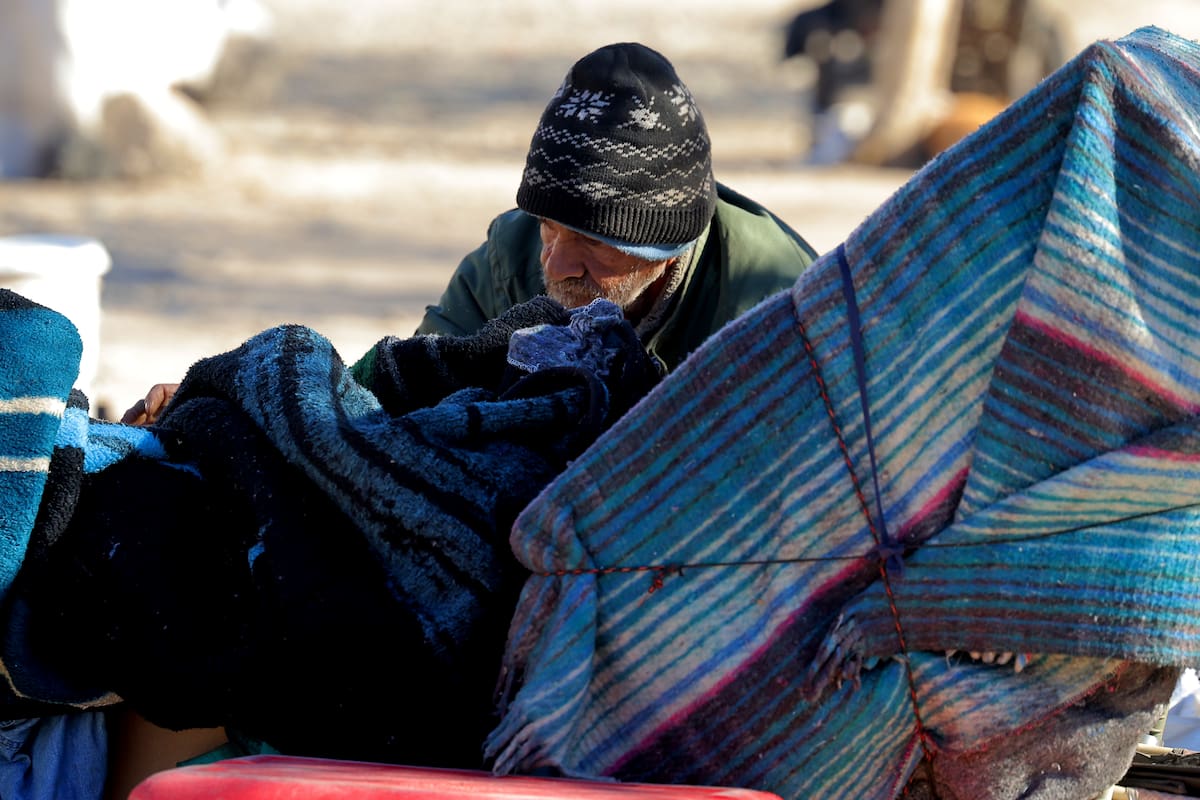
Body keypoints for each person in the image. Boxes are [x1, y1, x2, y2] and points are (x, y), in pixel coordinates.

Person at [123, 41, 818, 425]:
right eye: (552, 225)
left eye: (599, 244)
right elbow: (402, 392)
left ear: (665, 250)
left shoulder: (772, 300)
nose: (561, 264)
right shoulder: (512, 254)